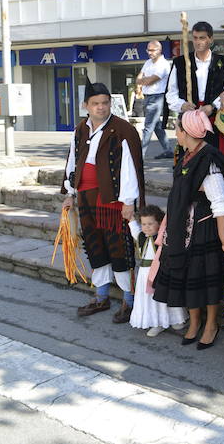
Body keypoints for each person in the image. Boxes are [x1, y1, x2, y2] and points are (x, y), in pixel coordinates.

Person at [152, 110, 224, 350]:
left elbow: (221, 202)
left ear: (185, 132)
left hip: (204, 228)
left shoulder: (208, 161)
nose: (176, 134)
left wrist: (223, 236)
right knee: (190, 276)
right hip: (184, 227)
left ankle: (211, 324)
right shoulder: (189, 154)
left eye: (177, 129)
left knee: (205, 278)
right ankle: (195, 321)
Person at [61, 79, 145, 323]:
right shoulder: (80, 129)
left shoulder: (123, 130)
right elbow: (72, 161)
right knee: (95, 246)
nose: (101, 107)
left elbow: (130, 167)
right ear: (85, 105)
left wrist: (129, 202)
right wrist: (70, 192)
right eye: (95, 103)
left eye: (105, 103)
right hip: (85, 196)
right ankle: (102, 296)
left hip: (113, 200)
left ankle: (129, 302)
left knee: (120, 249)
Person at [164, 21, 224, 159]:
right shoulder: (180, 62)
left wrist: (213, 107)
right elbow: (171, 93)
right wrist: (182, 105)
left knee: (213, 159)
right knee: (189, 161)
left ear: (211, 39)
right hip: (189, 121)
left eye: (202, 38)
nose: (198, 42)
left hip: (214, 122)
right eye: (195, 38)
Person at [128, 205, 187, 336]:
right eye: (143, 224)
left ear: (159, 223)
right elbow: (133, 228)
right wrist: (131, 217)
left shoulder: (162, 237)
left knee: (164, 296)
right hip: (144, 275)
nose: (146, 227)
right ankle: (157, 322)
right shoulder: (141, 236)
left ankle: (174, 319)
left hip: (160, 272)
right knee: (151, 299)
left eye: (150, 223)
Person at [136, 41, 174, 159]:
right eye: (148, 50)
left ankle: (140, 155)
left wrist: (143, 81)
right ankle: (168, 150)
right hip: (148, 97)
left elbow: (150, 80)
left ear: (159, 50)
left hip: (157, 97)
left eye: (152, 50)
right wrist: (143, 81)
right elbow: (138, 79)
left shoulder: (163, 64)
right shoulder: (148, 63)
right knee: (156, 126)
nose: (149, 53)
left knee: (148, 126)